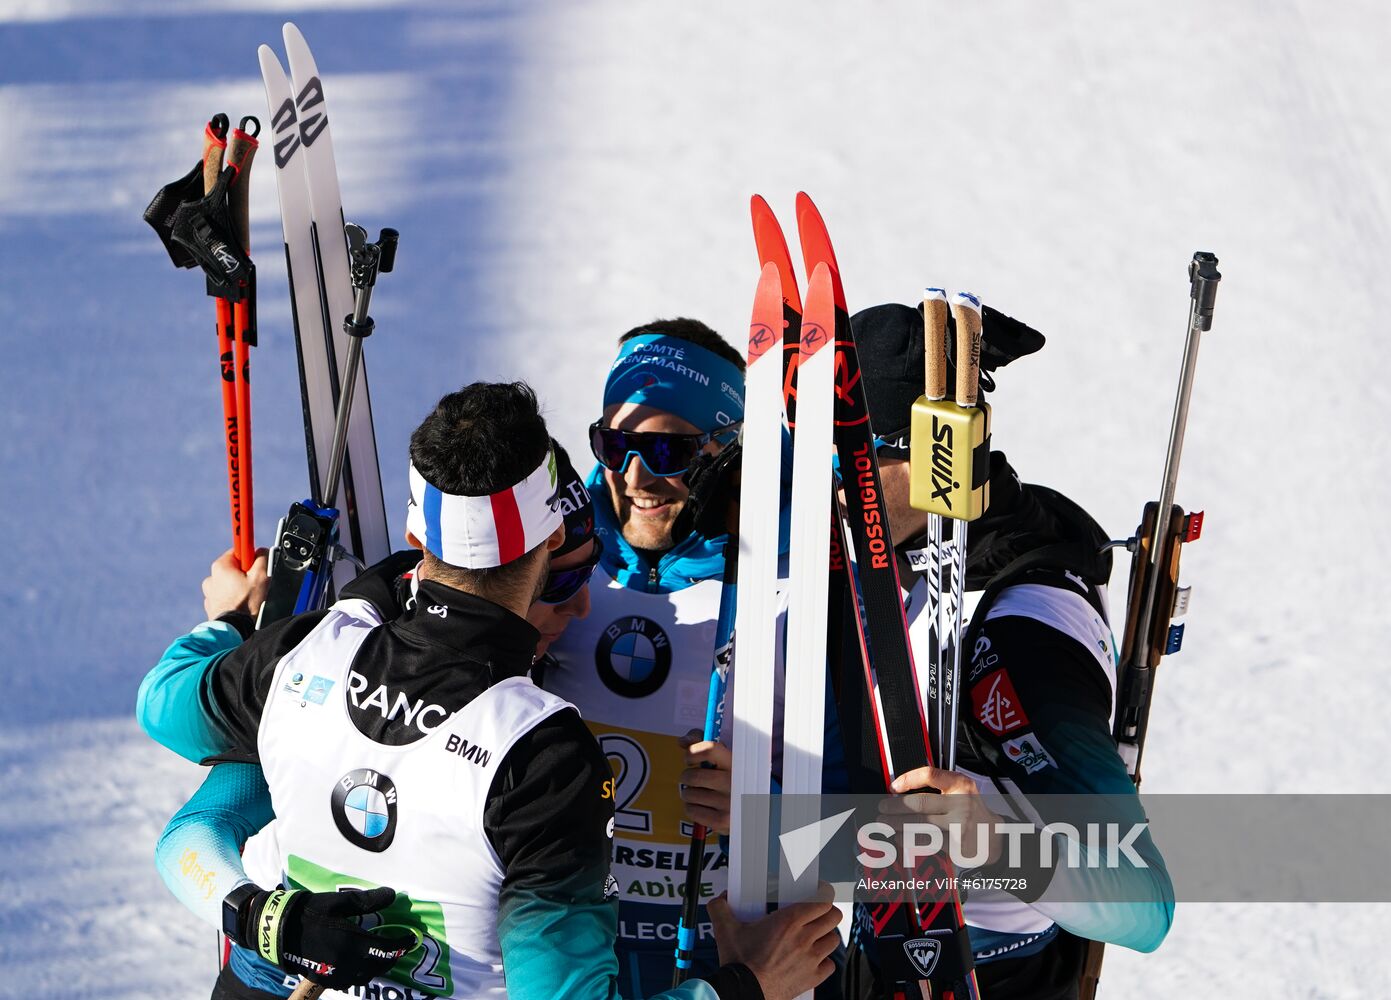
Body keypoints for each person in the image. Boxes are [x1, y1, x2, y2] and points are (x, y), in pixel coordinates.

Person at [137, 382, 840, 1000]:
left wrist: (770, 822)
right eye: (562, 583)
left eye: (671, 451)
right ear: (544, 539)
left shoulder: (798, 614)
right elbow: (204, 823)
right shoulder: (534, 744)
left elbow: (901, 862)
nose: (581, 609)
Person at [680, 303, 1174, 1000]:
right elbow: (884, 818)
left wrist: (994, 845)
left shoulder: (1022, 636)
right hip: (874, 954)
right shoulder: (881, 562)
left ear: (931, 456)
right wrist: (758, 807)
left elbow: (1144, 904)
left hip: (997, 975)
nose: (821, 485)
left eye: (846, 459)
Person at [538, 318, 847, 995]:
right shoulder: (552, 566)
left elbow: (879, 840)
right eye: (615, 444)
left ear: (726, 450)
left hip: (740, 959)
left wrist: (762, 815)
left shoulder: (800, 586)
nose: (636, 476)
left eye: (669, 451)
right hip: (567, 958)